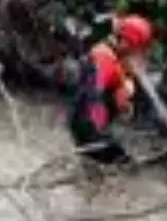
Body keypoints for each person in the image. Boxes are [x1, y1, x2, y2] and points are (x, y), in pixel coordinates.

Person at [55, 13, 154, 164]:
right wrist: (101, 133)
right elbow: (91, 98)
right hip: (89, 125)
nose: (138, 54)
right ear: (126, 43)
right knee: (124, 165)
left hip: (85, 120)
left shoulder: (111, 53)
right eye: (137, 49)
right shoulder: (105, 59)